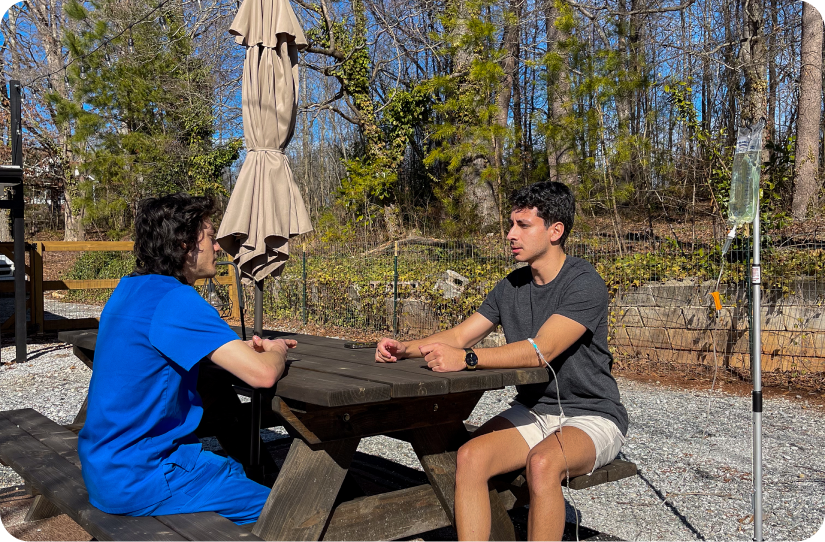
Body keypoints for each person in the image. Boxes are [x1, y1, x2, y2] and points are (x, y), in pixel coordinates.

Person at [374, 181, 628, 542]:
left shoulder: (584, 283)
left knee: (542, 464)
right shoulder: (510, 286)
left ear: (556, 231)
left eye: (523, 225)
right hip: (533, 409)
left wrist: (468, 360)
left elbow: (542, 351)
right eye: (510, 225)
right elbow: (460, 336)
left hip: (591, 414)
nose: (510, 234)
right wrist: (406, 348)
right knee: (470, 458)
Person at [78, 193, 295, 525]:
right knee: (292, 511)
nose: (217, 247)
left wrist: (235, 352)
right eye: (210, 237)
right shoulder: (176, 300)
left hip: (104, 467)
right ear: (184, 245)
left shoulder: (129, 290)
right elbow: (263, 376)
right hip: (145, 478)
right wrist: (277, 351)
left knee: (233, 466)